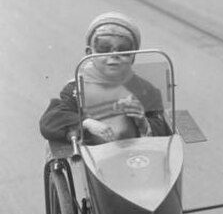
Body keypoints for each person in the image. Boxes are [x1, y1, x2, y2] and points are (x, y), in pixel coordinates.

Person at [40, 12, 171, 145]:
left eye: (123, 50)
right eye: (104, 49)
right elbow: (50, 120)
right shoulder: (77, 88)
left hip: (134, 157)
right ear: (90, 53)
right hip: (89, 158)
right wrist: (86, 123)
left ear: (133, 56)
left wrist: (143, 122)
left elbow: (165, 130)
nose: (114, 56)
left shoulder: (145, 90)